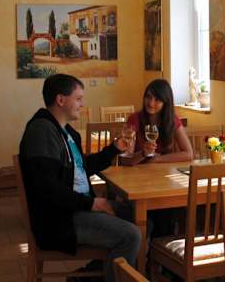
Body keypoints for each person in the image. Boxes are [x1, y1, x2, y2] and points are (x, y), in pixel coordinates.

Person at [19, 74, 141, 282]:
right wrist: (92, 203)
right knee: (131, 235)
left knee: (142, 218)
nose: (82, 104)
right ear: (61, 100)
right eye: (78, 98)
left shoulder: (64, 131)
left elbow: (81, 169)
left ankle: (89, 277)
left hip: (75, 208)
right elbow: (47, 188)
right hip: (59, 220)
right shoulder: (42, 131)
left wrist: (114, 149)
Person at [125, 79, 194, 164]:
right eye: (148, 97)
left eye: (157, 99)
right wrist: (143, 153)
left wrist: (157, 159)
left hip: (164, 170)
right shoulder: (134, 119)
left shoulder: (172, 120)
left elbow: (189, 154)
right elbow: (126, 160)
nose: (151, 103)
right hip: (138, 170)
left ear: (165, 102)